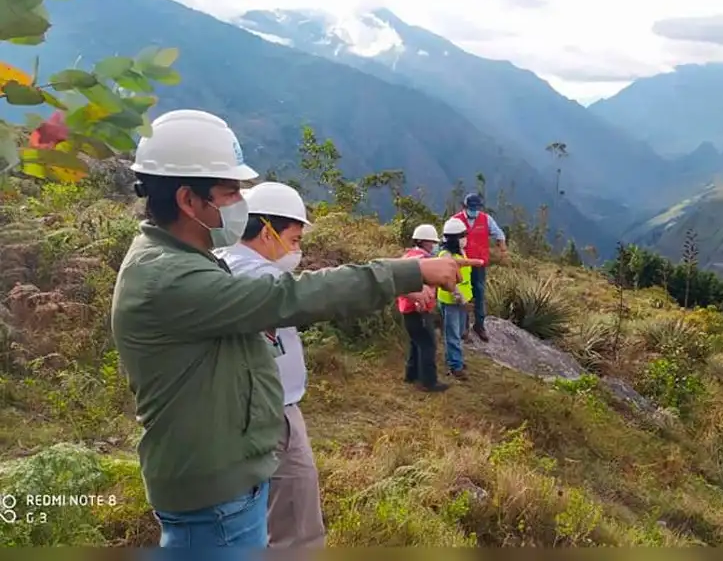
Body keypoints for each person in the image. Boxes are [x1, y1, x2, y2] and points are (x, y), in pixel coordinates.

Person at [110, 109, 470, 549]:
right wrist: (410, 272)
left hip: (223, 477)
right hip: (214, 497)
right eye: (229, 192)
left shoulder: (181, 261)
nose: (240, 203)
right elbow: (292, 297)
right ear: (188, 200)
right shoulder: (171, 278)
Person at [213, 181, 323, 548]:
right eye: (294, 240)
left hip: (241, 413)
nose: (297, 251)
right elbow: (322, 294)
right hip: (273, 414)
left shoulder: (223, 266)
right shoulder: (261, 278)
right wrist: (402, 277)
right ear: (266, 232)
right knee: (295, 525)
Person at [397, 224, 449, 393]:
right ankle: (428, 382)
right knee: (427, 344)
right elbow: (419, 285)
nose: (433, 245)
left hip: (407, 308)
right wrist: (420, 304)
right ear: (422, 241)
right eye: (431, 242)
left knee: (416, 342)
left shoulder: (408, 257)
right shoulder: (422, 261)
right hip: (418, 309)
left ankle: (411, 375)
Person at [452, 193, 507, 342]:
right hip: (461, 265)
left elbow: (499, 234)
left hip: (479, 264)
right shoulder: (456, 220)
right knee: (463, 295)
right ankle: (463, 327)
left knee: (479, 294)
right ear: (465, 207)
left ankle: (479, 325)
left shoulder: (486, 219)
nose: (474, 211)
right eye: (471, 208)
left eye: (476, 208)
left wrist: (503, 251)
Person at [437, 218, 474, 380]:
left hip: (462, 300)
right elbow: (449, 281)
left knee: (458, 332)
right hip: (452, 300)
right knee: (452, 334)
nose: (465, 238)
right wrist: (461, 298)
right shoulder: (446, 256)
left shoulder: (460, 252)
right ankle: (455, 366)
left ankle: (454, 359)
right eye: (462, 235)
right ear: (454, 238)